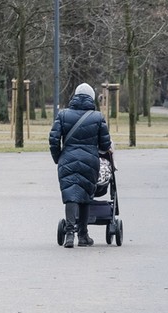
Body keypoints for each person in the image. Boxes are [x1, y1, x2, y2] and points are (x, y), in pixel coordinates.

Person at [49, 83, 113, 248]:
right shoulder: (98, 117)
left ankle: (69, 234)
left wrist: (58, 157)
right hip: (90, 161)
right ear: (91, 98)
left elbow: (54, 139)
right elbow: (105, 144)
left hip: (67, 159)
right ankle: (83, 235)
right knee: (85, 196)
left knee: (71, 195)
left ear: (74, 97)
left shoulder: (63, 115)